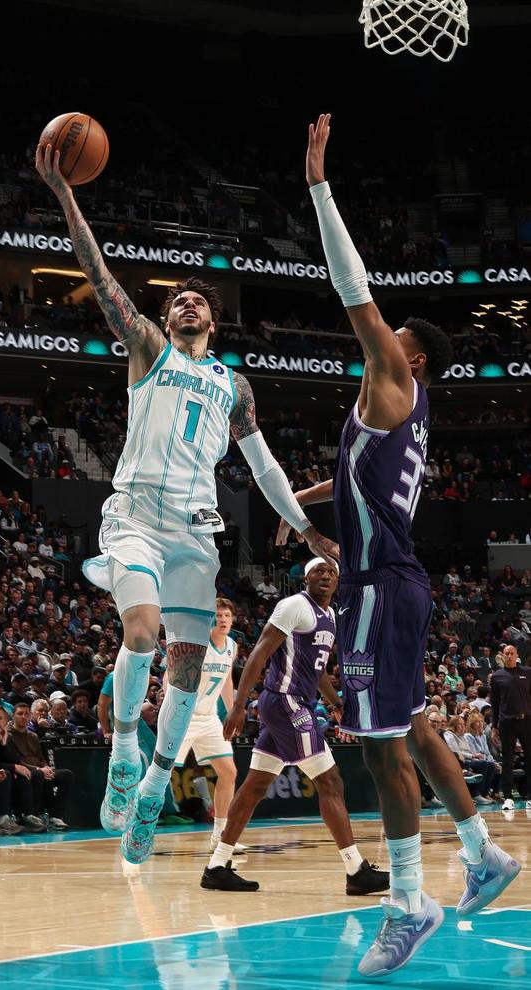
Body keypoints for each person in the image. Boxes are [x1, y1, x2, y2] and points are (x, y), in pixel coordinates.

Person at [36, 142, 335, 865]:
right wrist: (64, 193)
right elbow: (99, 275)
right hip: (137, 517)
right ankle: (123, 752)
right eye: (177, 300)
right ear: (166, 319)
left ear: (214, 322)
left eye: (197, 300)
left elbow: (263, 467)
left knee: (187, 669)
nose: (187, 303)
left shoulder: (235, 387)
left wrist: (306, 528)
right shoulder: (149, 348)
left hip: (196, 534)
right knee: (141, 633)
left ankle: (152, 791)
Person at [276, 114, 520, 977]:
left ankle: (408, 900)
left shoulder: (392, 378)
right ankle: (484, 852)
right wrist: (304, 497)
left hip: (379, 586)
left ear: (409, 358)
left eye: (396, 340)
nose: (383, 341)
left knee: (381, 749)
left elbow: (352, 287)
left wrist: (318, 186)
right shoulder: (397, 416)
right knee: (413, 727)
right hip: (394, 580)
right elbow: (357, 481)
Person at [201, 560, 388, 896]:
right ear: (306, 578)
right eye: (319, 571)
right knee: (330, 781)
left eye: (331, 572)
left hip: (294, 703)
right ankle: (355, 870)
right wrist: (238, 706)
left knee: (255, 786)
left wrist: (336, 702)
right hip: (286, 702)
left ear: (338, 580)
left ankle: (217, 866)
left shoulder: (330, 616)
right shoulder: (293, 606)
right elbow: (260, 653)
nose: (326, 575)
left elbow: (317, 671)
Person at [172, 598, 244, 853]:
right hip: (185, 716)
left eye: (227, 615)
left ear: (232, 620)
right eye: (218, 615)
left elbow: (227, 680)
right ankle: (136, 824)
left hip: (210, 717)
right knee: (161, 772)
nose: (223, 620)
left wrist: (233, 711)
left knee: (229, 772)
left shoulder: (232, 646)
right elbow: (172, 674)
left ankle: (220, 836)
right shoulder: (197, 645)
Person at [8, 701, 72, 829]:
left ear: (30, 716)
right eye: (20, 714)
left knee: (66, 774)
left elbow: (40, 758)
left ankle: (56, 816)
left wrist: (46, 768)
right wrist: (39, 769)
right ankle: (34, 815)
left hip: (39, 769)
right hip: (21, 771)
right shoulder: (8, 736)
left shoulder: (33, 736)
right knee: (38, 774)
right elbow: (15, 761)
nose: (23, 717)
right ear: (13, 716)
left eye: (26, 714)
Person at [490, 644, 531, 811]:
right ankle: (508, 797)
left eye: (512, 653)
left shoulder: (528, 672)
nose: (509, 656)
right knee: (507, 760)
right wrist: (494, 726)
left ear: (517, 655)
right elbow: (495, 703)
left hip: (527, 720)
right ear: (502, 655)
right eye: (506, 653)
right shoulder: (496, 676)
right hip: (507, 722)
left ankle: (530, 797)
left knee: (530, 758)